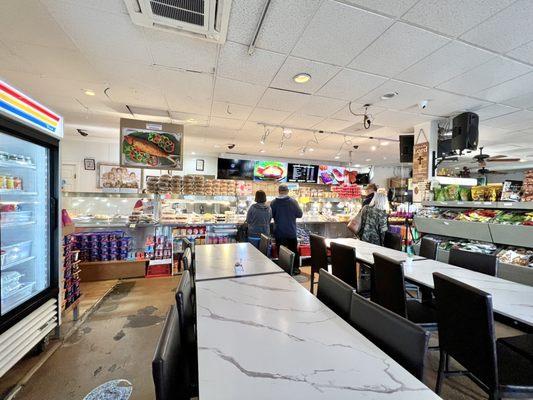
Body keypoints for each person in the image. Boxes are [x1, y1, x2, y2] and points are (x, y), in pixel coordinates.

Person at [270, 184, 303, 275]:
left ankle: (283, 269)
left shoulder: (273, 203)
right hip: (291, 232)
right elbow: (300, 214)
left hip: (279, 232)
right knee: (293, 251)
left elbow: (271, 216)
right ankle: (295, 269)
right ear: (287, 191)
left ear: (279, 191)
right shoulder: (293, 202)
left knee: (281, 252)